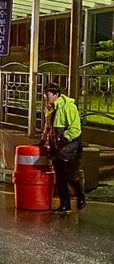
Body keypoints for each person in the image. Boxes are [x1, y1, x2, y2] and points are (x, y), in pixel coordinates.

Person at [42, 82, 86, 214]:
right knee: (60, 178)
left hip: (69, 148)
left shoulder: (68, 107)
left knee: (70, 176)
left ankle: (81, 195)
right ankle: (65, 206)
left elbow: (75, 128)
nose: (45, 96)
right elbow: (48, 127)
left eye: (48, 94)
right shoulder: (51, 108)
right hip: (58, 148)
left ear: (56, 94)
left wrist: (63, 138)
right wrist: (44, 140)